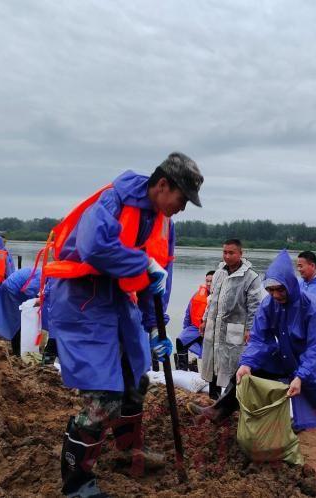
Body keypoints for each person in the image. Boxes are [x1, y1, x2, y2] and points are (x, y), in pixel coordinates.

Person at [43, 152, 203, 497]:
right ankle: (77, 484)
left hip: (118, 302)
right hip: (83, 300)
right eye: (182, 199)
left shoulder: (162, 220)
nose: (183, 208)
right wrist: (143, 264)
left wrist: (154, 326)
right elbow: (93, 247)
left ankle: (127, 452)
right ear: (162, 185)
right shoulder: (112, 201)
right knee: (104, 397)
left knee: (136, 377)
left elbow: (155, 279)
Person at [187, 250, 316, 486]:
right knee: (246, 372)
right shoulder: (269, 304)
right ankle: (218, 411)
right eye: (271, 290)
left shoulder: (313, 307)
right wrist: (246, 364)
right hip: (284, 359)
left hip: (314, 369)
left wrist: (301, 377)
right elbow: (259, 340)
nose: (276, 295)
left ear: (291, 285)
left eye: (280, 289)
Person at [199, 239, 262, 399]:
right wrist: (205, 319)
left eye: (231, 252)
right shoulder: (219, 273)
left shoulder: (251, 277)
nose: (227, 256)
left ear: (241, 253)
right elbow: (212, 298)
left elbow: (254, 307)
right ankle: (212, 399)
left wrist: (250, 329)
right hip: (214, 326)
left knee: (232, 366)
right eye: (224, 252)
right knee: (212, 363)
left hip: (235, 328)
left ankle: (230, 403)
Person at [0, 267, 42, 356]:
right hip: (12, 290)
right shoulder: (41, 276)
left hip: (10, 286)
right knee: (17, 319)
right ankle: (16, 349)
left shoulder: (41, 271)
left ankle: (8, 338)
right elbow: (29, 290)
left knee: (13, 317)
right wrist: (36, 302)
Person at [175, 270, 215, 370]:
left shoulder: (222, 296)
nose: (209, 283)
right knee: (180, 340)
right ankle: (182, 370)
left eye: (212, 281)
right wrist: (185, 329)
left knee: (211, 356)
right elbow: (188, 312)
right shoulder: (198, 294)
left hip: (212, 331)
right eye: (207, 281)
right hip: (196, 328)